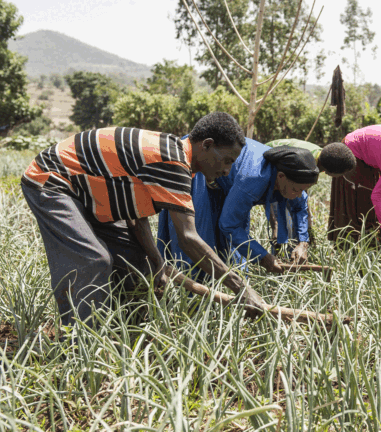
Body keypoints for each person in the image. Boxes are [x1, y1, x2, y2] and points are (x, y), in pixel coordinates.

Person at [20, 112, 263, 327]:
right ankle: (77, 346)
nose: (227, 171)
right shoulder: (172, 160)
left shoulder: (173, 158)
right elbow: (189, 238)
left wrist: (156, 262)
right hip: (52, 181)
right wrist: (243, 288)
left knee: (138, 262)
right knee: (93, 260)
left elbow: (137, 218)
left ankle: (125, 333)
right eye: (228, 160)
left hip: (87, 194)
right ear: (207, 145)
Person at [158, 138, 320, 276]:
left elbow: (300, 207)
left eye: (303, 190)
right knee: (199, 245)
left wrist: (302, 243)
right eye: (296, 190)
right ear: (281, 177)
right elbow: (229, 225)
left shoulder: (295, 181)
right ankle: (191, 298)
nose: (299, 195)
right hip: (202, 168)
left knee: (235, 256)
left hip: (228, 186)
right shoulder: (254, 178)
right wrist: (263, 257)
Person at [264, 138, 356, 253]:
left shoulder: (325, 157)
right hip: (269, 168)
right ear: (330, 172)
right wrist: (275, 224)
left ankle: (292, 253)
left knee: (295, 219)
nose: (342, 177)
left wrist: (307, 231)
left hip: (283, 172)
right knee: (282, 227)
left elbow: (301, 196)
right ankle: (278, 260)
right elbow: (296, 198)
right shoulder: (306, 162)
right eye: (342, 174)